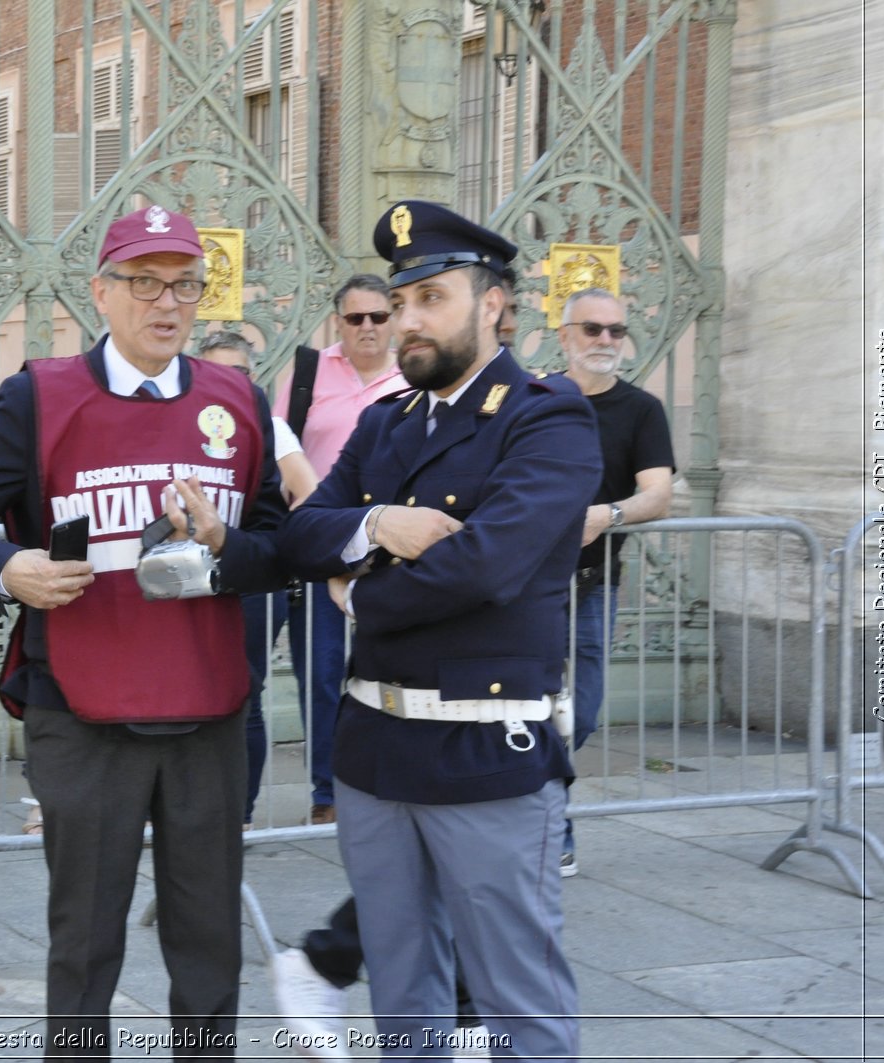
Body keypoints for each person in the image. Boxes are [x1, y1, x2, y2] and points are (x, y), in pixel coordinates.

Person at [0, 205, 287, 1059]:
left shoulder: (237, 399)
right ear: (102, 293)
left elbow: (277, 548)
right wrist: (10, 569)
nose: (168, 302)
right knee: (84, 945)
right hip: (82, 712)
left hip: (210, 712)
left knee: (209, 945)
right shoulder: (41, 396)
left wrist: (228, 543)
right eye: (146, 282)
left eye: (185, 284)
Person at [279, 200, 600, 1058]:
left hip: (485, 754)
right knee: (403, 998)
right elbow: (305, 532)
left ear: (492, 303)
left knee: (517, 1000)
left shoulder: (547, 418)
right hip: (375, 753)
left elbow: (487, 565)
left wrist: (359, 595)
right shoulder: (387, 421)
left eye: (432, 299)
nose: (406, 321)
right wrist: (379, 524)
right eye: (400, 300)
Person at [274, 275, 405, 825]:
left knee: (394, 668)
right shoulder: (307, 374)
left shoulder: (414, 376)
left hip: (394, 546)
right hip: (324, 542)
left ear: (394, 319)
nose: (368, 328)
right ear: (339, 322)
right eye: (357, 319)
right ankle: (328, 792)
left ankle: (392, 780)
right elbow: (279, 445)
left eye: (378, 316)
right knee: (322, 671)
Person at [556, 286, 675, 876]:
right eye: (592, 329)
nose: (605, 341)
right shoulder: (535, 398)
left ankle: (542, 801)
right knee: (525, 708)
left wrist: (609, 515)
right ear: (565, 336)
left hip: (594, 583)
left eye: (615, 331)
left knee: (582, 714)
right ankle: (554, 825)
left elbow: (658, 494)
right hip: (521, 583)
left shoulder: (641, 410)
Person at [194, 330, 318, 826]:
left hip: (251, 580)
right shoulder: (180, 421)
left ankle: (238, 814)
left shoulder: (269, 425)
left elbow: (309, 493)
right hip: (189, 577)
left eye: (239, 372)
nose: (228, 381)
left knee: (243, 693)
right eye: (216, 370)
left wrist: (269, 544)